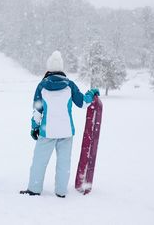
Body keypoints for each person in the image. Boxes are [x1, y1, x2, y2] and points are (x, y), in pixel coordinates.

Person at [20, 50, 99, 198]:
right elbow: (83, 103)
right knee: (64, 163)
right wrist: (91, 93)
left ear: (48, 69)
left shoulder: (42, 86)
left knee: (39, 161)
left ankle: (34, 189)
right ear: (61, 69)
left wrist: (34, 127)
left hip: (47, 130)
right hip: (66, 131)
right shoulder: (70, 85)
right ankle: (61, 191)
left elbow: (37, 110)